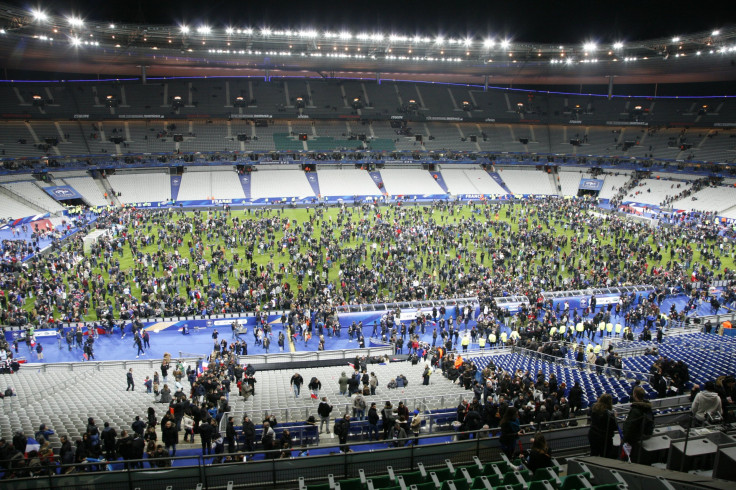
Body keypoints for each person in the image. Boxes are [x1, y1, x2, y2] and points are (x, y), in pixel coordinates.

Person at [622, 386, 653, 463]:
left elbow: (630, 427)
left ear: (635, 395)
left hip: (634, 439)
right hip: (642, 436)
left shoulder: (636, 410)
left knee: (630, 457)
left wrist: (624, 438)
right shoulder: (647, 407)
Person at [588, 394, 617, 458]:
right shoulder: (609, 414)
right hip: (604, 437)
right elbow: (615, 427)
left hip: (593, 434)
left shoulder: (593, 408)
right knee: (605, 456)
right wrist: (614, 417)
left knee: (593, 453)